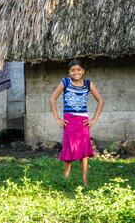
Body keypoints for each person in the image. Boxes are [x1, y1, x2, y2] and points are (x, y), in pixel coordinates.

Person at [49, 59, 104, 187]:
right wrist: (57, 118)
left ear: (83, 71)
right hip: (69, 121)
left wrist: (95, 118)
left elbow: (101, 101)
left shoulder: (88, 84)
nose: (76, 72)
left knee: (84, 152)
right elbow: (52, 98)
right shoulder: (65, 82)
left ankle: (85, 180)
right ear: (69, 72)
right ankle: (66, 178)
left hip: (83, 122)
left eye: (79, 70)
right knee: (69, 149)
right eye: (73, 70)